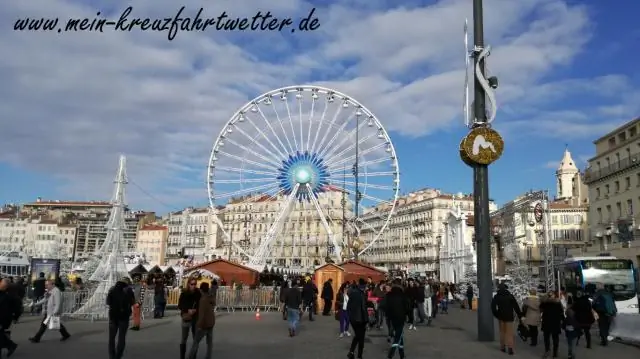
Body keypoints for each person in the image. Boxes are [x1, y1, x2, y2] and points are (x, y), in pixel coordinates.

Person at [106, 277, 136, 359]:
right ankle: (118, 356)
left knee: (111, 337)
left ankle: (111, 356)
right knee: (121, 337)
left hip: (113, 316)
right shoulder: (129, 290)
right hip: (124, 316)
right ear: (127, 282)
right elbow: (133, 302)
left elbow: (108, 302)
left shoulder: (112, 289)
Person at [491, 283, 523, 355]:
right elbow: (516, 306)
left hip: (501, 317)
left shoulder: (496, 296)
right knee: (509, 333)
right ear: (506, 288)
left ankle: (502, 347)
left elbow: (493, 307)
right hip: (509, 317)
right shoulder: (510, 296)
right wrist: (520, 316)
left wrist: (496, 314)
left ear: (499, 288)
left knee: (502, 332)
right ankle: (510, 348)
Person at [187, 282, 215, 359]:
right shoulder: (211, 297)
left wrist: (199, 325)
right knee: (209, 342)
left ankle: (190, 356)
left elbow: (202, 314)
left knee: (196, 342)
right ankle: (208, 356)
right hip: (211, 322)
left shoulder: (203, 300)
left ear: (201, 290)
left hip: (204, 324)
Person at [178, 277, 202, 359]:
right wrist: (187, 310)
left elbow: (200, 305)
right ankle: (182, 357)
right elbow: (180, 305)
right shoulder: (184, 293)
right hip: (186, 317)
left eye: (195, 284)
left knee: (196, 338)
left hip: (195, 318)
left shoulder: (198, 293)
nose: (194, 286)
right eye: (192, 284)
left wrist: (195, 310)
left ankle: (193, 356)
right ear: (188, 284)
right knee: (184, 338)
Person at [385, 278, 409, 359]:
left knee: (400, 334)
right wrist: (409, 317)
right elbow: (408, 307)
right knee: (398, 335)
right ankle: (392, 351)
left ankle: (401, 353)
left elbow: (386, 307)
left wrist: (388, 316)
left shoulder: (389, 295)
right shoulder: (403, 295)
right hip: (401, 317)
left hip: (392, 318)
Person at [346, 278, 369, 359]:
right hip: (360, 319)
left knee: (357, 336)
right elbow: (363, 308)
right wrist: (367, 321)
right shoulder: (361, 294)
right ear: (363, 286)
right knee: (361, 337)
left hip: (353, 319)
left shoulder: (352, 292)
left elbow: (348, 306)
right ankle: (359, 355)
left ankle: (351, 352)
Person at [540, 291, 564, 358]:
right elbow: (561, 312)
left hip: (546, 322)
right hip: (555, 322)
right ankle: (555, 353)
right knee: (555, 338)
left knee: (546, 338)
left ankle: (547, 351)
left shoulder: (545, 302)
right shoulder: (558, 302)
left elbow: (540, 309)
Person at [0, 278, 20, 357]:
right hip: (5, 318)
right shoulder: (6, 294)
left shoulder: (7, 296)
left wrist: (15, 317)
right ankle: (10, 345)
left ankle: (10, 345)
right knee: (1, 335)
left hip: (2, 319)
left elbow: (6, 310)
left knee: (1, 335)